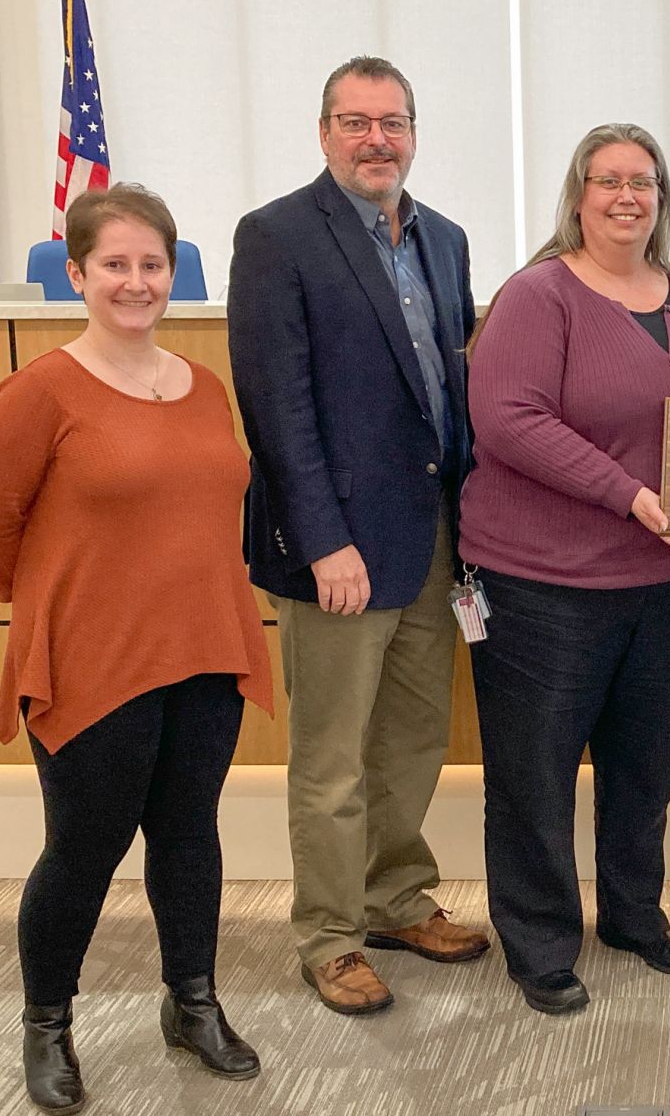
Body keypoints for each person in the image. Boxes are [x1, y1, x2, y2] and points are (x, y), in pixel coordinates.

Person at [0, 184, 273, 1114]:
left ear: (171, 273)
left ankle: (193, 1002)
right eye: (114, 265)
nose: (135, 282)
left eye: (151, 265)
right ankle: (47, 1023)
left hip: (205, 644)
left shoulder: (202, 385)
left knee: (188, 837)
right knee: (84, 848)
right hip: (94, 657)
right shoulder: (40, 391)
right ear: (78, 272)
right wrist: (55, 597)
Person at [460, 123, 670, 1015]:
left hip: (669, 588)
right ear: (579, 195)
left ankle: (633, 914)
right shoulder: (538, 294)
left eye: (643, 181)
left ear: (663, 199)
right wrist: (627, 494)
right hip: (541, 584)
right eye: (608, 181)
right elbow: (508, 416)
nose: (627, 196)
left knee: (644, 763)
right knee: (534, 772)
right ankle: (541, 944)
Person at [227, 56, 488, 1017]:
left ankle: (393, 900)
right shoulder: (278, 236)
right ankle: (330, 937)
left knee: (415, 740)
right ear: (324, 131)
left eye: (392, 121)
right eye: (354, 121)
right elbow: (275, 405)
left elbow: (451, 396)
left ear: (414, 131)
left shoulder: (445, 238)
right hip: (338, 548)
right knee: (331, 759)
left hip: (431, 537)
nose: (375, 138)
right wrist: (321, 539)